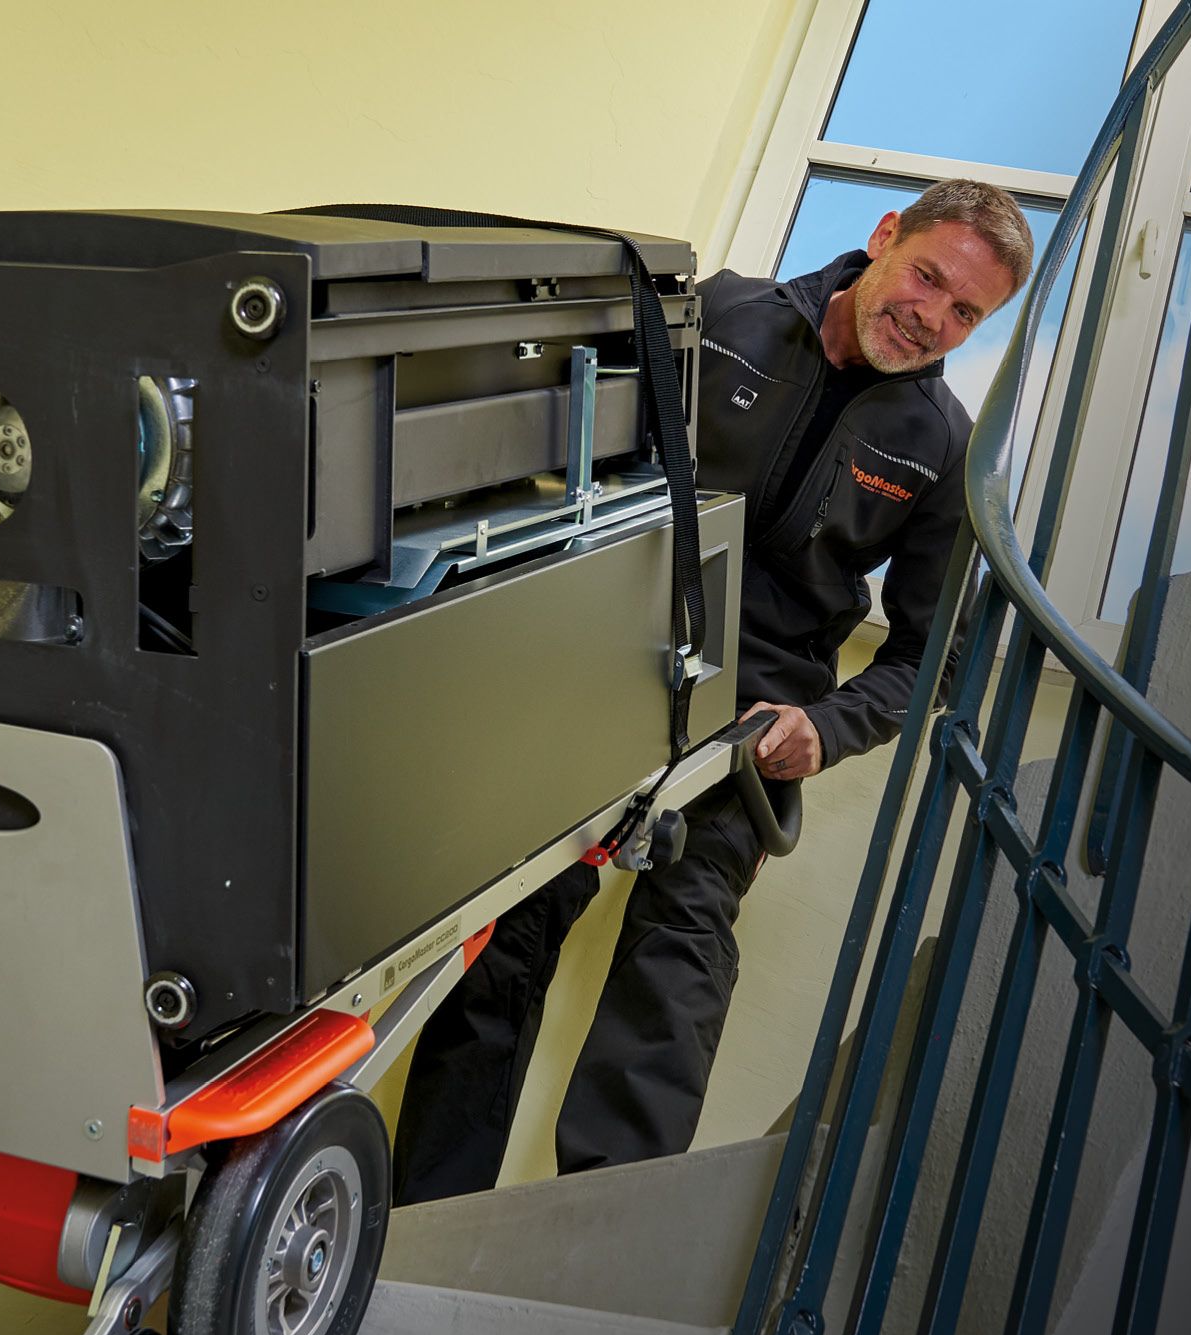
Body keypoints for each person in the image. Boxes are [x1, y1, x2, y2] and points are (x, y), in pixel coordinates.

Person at [394, 179, 1033, 1202]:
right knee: (508, 940)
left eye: (966, 313)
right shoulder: (721, 315)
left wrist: (825, 728)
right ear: (884, 236)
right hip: (603, 669)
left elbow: (931, 657)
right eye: (927, 278)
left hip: (751, 719)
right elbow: (575, 455)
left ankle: (596, 1240)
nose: (932, 318)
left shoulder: (943, 450)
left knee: (678, 958)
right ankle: (425, 1217)